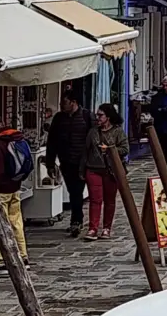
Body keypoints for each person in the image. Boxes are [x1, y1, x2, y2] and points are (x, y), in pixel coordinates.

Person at [45, 91, 94, 237]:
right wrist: (50, 162)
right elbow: (52, 141)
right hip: (66, 160)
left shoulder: (87, 116)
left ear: (73, 102)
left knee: (77, 191)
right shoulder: (59, 118)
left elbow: (94, 139)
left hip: (83, 161)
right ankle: (76, 220)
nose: (61, 106)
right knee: (73, 191)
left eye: (64, 103)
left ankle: (77, 221)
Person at [0, 116, 28, 268]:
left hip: (1, 189)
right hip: (15, 187)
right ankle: (22, 254)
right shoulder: (14, 137)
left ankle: (2, 258)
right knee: (16, 222)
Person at [81, 104, 129, 241]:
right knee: (95, 199)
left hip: (111, 171)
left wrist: (110, 149)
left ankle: (107, 228)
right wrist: (82, 169)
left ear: (108, 117)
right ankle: (92, 228)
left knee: (109, 200)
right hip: (93, 168)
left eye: (100, 115)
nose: (98, 118)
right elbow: (86, 151)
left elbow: (125, 149)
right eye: (97, 115)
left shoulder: (118, 132)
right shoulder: (93, 132)